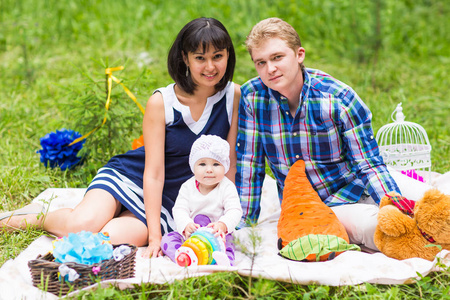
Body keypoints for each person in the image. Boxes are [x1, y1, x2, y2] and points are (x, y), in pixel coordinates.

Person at [0, 17, 240, 258]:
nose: (210, 66)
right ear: (185, 58)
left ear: (228, 55)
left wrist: (221, 218)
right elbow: (154, 173)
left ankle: (104, 216)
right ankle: (37, 217)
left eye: (217, 56)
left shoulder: (233, 95)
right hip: (133, 176)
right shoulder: (162, 102)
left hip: (175, 198)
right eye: (200, 58)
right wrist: (155, 236)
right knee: (79, 225)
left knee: (107, 240)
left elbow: (228, 161)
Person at [235, 17, 401, 251]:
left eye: (277, 57)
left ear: (299, 55)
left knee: (420, 206)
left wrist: (394, 204)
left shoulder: (338, 98)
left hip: (351, 188)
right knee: (383, 230)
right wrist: (245, 224)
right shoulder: (252, 97)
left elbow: (369, 165)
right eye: (260, 62)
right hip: (312, 208)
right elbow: (250, 165)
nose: (269, 69)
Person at [160, 134, 242, 265]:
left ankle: (225, 262)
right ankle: (183, 256)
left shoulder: (227, 187)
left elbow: (235, 210)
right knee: (167, 239)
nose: (209, 169)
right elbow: (180, 209)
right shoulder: (187, 186)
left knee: (230, 241)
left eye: (216, 164)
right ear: (193, 167)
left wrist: (222, 225)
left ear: (225, 167)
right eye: (202, 164)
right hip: (193, 235)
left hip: (217, 236)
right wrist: (186, 224)